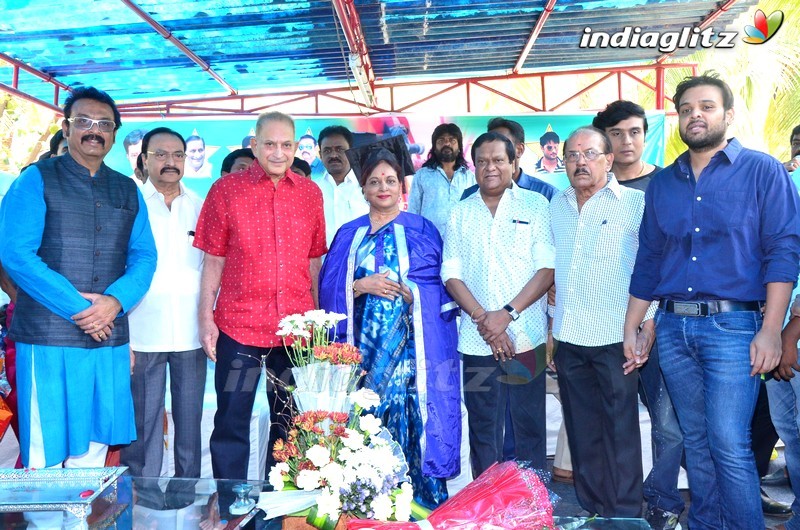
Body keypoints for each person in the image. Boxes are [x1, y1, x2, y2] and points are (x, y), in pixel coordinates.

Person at [625, 72, 800, 530]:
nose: (694, 115)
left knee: (728, 442)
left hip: (735, 328)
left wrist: (771, 331)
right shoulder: (664, 183)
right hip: (673, 327)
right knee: (696, 443)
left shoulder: (763, 171)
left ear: (728, 114)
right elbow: (650, 257)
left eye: (706, 106)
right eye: (685, 109)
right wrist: (634, 324)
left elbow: (783, 251)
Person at [0, 86, 157, 469]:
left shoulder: (127, 189)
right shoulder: (35, 180)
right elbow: (15, 254)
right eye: (83, 121)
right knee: (45, 447)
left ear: (115, 133)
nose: (94, 130)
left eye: (104, 124)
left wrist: (114, 303)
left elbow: (144, 255)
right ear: (66, 128)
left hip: (108, 338)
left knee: (95, 446)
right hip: (49, 337)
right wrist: (82, 310)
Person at [319, 146, 461, 509]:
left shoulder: (423, 229)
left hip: (413, 351)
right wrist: (358, 286)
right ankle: (366, 498)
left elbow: (440, 284)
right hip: (361, 351)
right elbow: (327, 288)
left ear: (402, 186)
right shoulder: (348, 234)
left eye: (390, 180)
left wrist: (414, 293)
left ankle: (420, 500)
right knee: (365, 414)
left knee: (412, 414)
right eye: (374, 182)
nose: (383, 188)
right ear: (363, 189)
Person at [194, 111, 327, 480]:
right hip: (239, 327)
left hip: (295, 330)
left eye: (287, 145)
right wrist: (206, 317)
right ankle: (232, 507)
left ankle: (277, 507)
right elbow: (213, 260)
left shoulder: (310, 194)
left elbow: (314, 262)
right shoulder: (225, 190)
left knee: (291, 423)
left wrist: (316, 321)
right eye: (270, 144)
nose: (279, 153)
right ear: (254, 145)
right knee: (232, 420)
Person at [551, 126, 651, 518]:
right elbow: (552, 269)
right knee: (581, 430)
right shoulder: (556, 206)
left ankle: (626, 514)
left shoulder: (634, 205)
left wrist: (648, 324)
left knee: (620, 431)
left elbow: (650, 267)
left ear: (609, 160)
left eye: (590, 153)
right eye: (572, 155)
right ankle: (593, 509)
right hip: (569, 336)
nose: (580, 162)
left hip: (617, 337)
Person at [442, 132, 554, 478]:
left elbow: (546, 269)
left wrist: (506, 316)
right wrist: (484, 319)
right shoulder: (460, 212)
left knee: (528, 426)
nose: (490, 167)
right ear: (473, 166)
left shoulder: (535, 206)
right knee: (483, 427)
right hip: (476, 341)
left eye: (498, 160)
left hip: (526, 338)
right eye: (482, 161)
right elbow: (451, 273)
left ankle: (532, 505)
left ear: (514, 162)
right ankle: (487, 506)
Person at [592, 100, 682, 529]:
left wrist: (648, 320)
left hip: (659, 323)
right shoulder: (592, 188)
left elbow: (675, 258)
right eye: (616, 133)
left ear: (645, 135)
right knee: (616, 421)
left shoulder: (669, 184)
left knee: (668, 420)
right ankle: (616, 500)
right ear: (603, 140)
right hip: (603, 327)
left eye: (634, 131)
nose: (626, 141)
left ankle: (663, 498)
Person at [121, 127, 206, 481]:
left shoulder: (201, 206)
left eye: (177, 155)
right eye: (160, 154)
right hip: (142, 332)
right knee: (143, 423)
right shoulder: (129, 207)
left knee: (189, 422)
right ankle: (144, 499)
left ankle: (187, 495)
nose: (170, 162)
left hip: (191, 334)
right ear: (144, 160)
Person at [461, 118, 557, 201]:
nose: (495, 148)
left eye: (503, 142)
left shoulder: (546, 194)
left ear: (520, 149)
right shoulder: (470, 195)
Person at [407, 123, 475, 238]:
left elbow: (474, 212)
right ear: (434, 147)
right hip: (429, 243)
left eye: (452, 140)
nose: (447, 143)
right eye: (441, 140)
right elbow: (413, 211)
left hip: (461, 242)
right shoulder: (422, 175)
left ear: (459, 148)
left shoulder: (469, 177)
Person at [313, 125, 369, 247]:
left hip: (360, 263)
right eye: (327, 150)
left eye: (340, 149)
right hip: (323, 263)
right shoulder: (313, 190)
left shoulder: (367, 187)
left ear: (351, 152)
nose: (333, 155)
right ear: (320, 155)